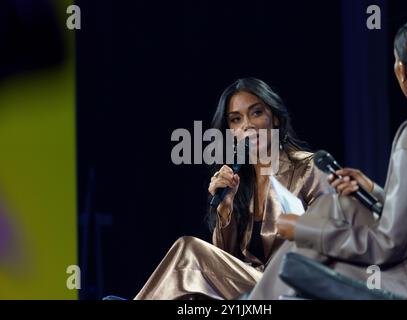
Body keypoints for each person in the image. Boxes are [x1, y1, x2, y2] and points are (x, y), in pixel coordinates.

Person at [248, 16, 407, 300]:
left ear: (402, 71)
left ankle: (255, 302)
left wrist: (302, 229)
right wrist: (374, 192)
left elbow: (388, 244)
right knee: (339, 205)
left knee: (304, 257)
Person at [134, 78, 331, 300]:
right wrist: (225, 209)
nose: (247, 125)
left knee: (188, 250)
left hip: (294, 287)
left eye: (256, 113)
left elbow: (331, 241)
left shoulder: (308, 168)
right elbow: (224, 265)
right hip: (251, 292)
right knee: (188, 296)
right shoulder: (240, 180)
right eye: (236, 119)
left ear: (275, 118)